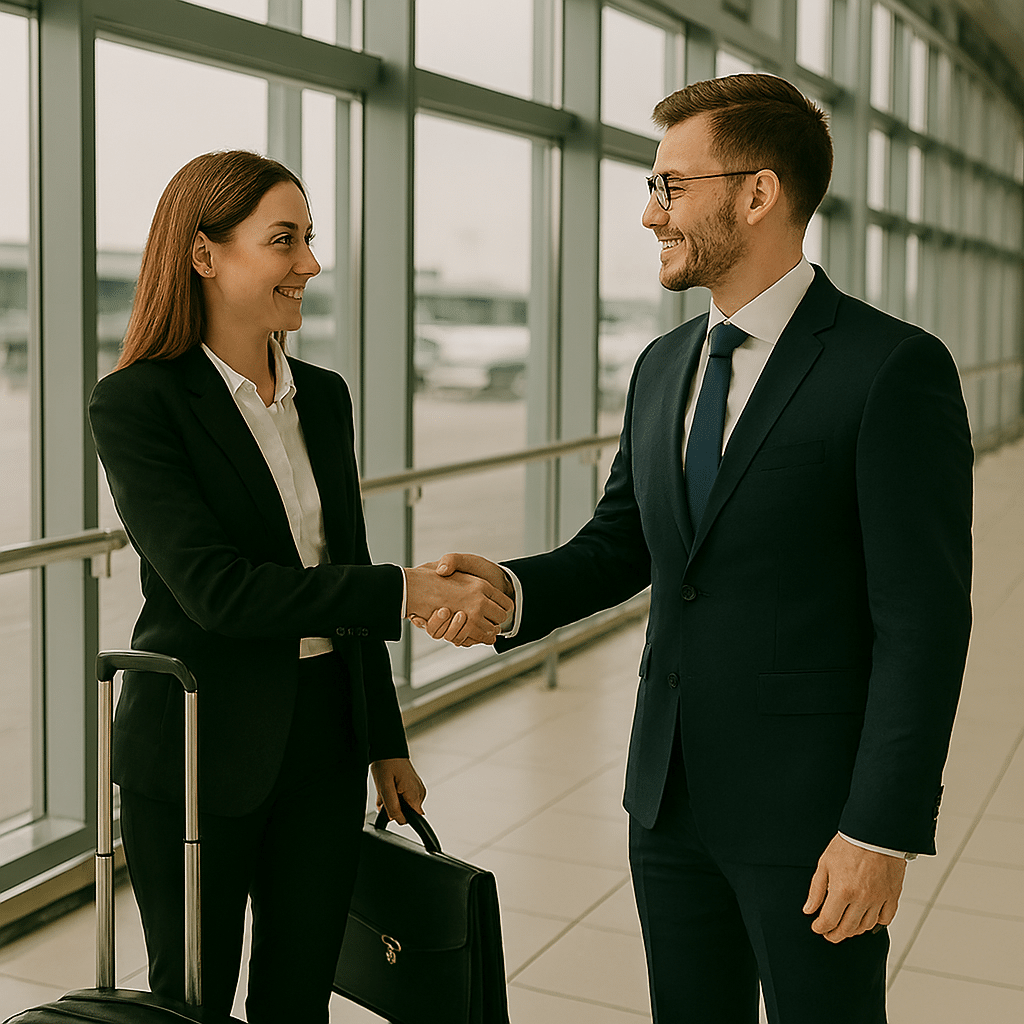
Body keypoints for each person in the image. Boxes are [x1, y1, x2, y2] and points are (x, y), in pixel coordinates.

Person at [412, 75, 973, 1023]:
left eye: (671, 186)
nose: (650, 213)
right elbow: (624, 543)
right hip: (667, 801)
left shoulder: (890, 368)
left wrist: (880, 830)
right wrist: (510, 592)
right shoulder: (663, 365)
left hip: (813, 815)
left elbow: (922, 625)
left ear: (758, 194)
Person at [88, 150, 513, 1023]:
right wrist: (403, 591)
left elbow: (344, 561)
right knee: (193, 1003)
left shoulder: (322, 396)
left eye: (308, 239)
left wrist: (385, 741)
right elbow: (220, 592)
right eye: (284, 240)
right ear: (204, 254)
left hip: (324, 738)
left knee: (299, 997)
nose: (310, 264)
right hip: (198, 742)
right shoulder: (137, 402)